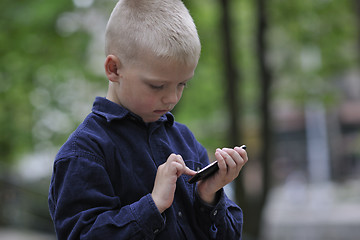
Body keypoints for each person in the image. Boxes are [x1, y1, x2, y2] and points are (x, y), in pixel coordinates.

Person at [48, 0, 248, 239]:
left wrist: (209, 196)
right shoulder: (85, 152)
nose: (172, 98)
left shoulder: (185, 140)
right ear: (113, 69)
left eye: (182, 84)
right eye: (157, 86)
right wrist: (152, 206)